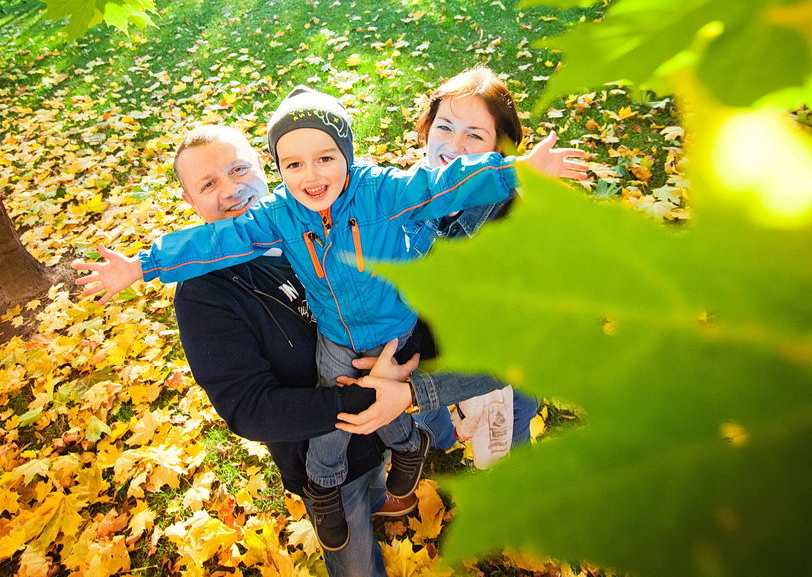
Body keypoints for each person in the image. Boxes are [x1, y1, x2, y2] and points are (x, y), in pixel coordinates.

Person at [75, 86, 585, 551]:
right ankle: (323, 486)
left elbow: (443, 182)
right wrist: (141, 266)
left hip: (397, 327)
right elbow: (216, 241)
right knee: (339, 420)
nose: (312, 175)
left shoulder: (382, 191)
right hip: (340, 338)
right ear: (277, 169)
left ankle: (418, 448)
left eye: (325, 158)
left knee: (400, 403)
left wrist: (517, 171)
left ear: (348, 155)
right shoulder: (277, 215)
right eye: (293, 164)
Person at [406, 67, 585, 463]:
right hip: (425, 360)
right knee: (433, 431)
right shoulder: (403, 196)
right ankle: (437, 443)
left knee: (506, 442)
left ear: (500, 153)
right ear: (426, 130)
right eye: (444, 127)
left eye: (474, 135)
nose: (454, 145)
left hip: (497, 370)